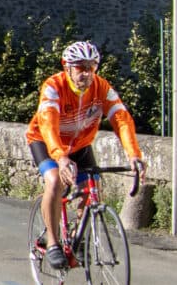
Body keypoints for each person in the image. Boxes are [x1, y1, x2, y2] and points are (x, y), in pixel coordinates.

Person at [28, 40, 145, 269]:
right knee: (54, 182)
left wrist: (134, 154)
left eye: (92, 67)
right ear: (68, 67)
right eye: (81, 67)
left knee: (92, 191)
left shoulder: (102, 88)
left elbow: (121, 119)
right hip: (45, 141)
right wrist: (60, 158)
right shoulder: (53, 87)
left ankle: (77, 237)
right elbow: (48, 124)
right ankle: (53, 243)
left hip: (80, 145)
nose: (87, 73)